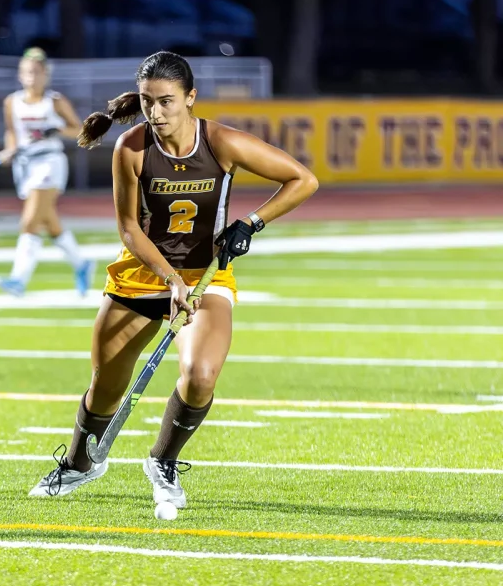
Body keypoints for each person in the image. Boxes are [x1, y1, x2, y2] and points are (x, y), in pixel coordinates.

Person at [28, 51, 318, 512]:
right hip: (141, 276)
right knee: (106, 386)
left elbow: (302, 179)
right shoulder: (132, 148)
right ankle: (82, 463)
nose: (157, 113)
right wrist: (167, 277)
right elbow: (129, 228)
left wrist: (251, 223)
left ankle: (162, 461)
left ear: (190, 99)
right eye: (148, 102)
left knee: (200, 375)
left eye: (166, 102)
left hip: (205, 277)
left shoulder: (221, 142)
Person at [0, 47, 95, 298]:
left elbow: (81, 131)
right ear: (20, 75)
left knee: (29, 221)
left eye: (37, 72)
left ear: (46, 74)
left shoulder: (55, 101)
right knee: (49, 222)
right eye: (28, 72)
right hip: (25, 165)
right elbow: (12, 131)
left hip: (49, 163)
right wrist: (9, 150)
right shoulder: (11, 102)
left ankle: (18, 279)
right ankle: (81, 264)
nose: (32, 77)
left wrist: (57, 128)